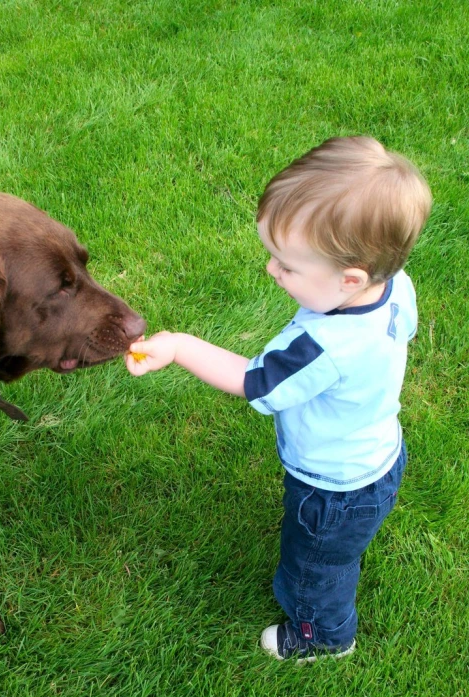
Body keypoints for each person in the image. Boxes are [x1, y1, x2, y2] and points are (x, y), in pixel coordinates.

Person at [125, 136, 432, 663]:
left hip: (331, 486)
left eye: (286, 265)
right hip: (378, 453)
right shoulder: (394, 285)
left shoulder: (320, 347)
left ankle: (323, 636)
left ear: (349, 278)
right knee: (336, 550)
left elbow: (254, 381)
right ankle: (345, 552)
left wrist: (180, 346)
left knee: (312, 567)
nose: (272, 271)